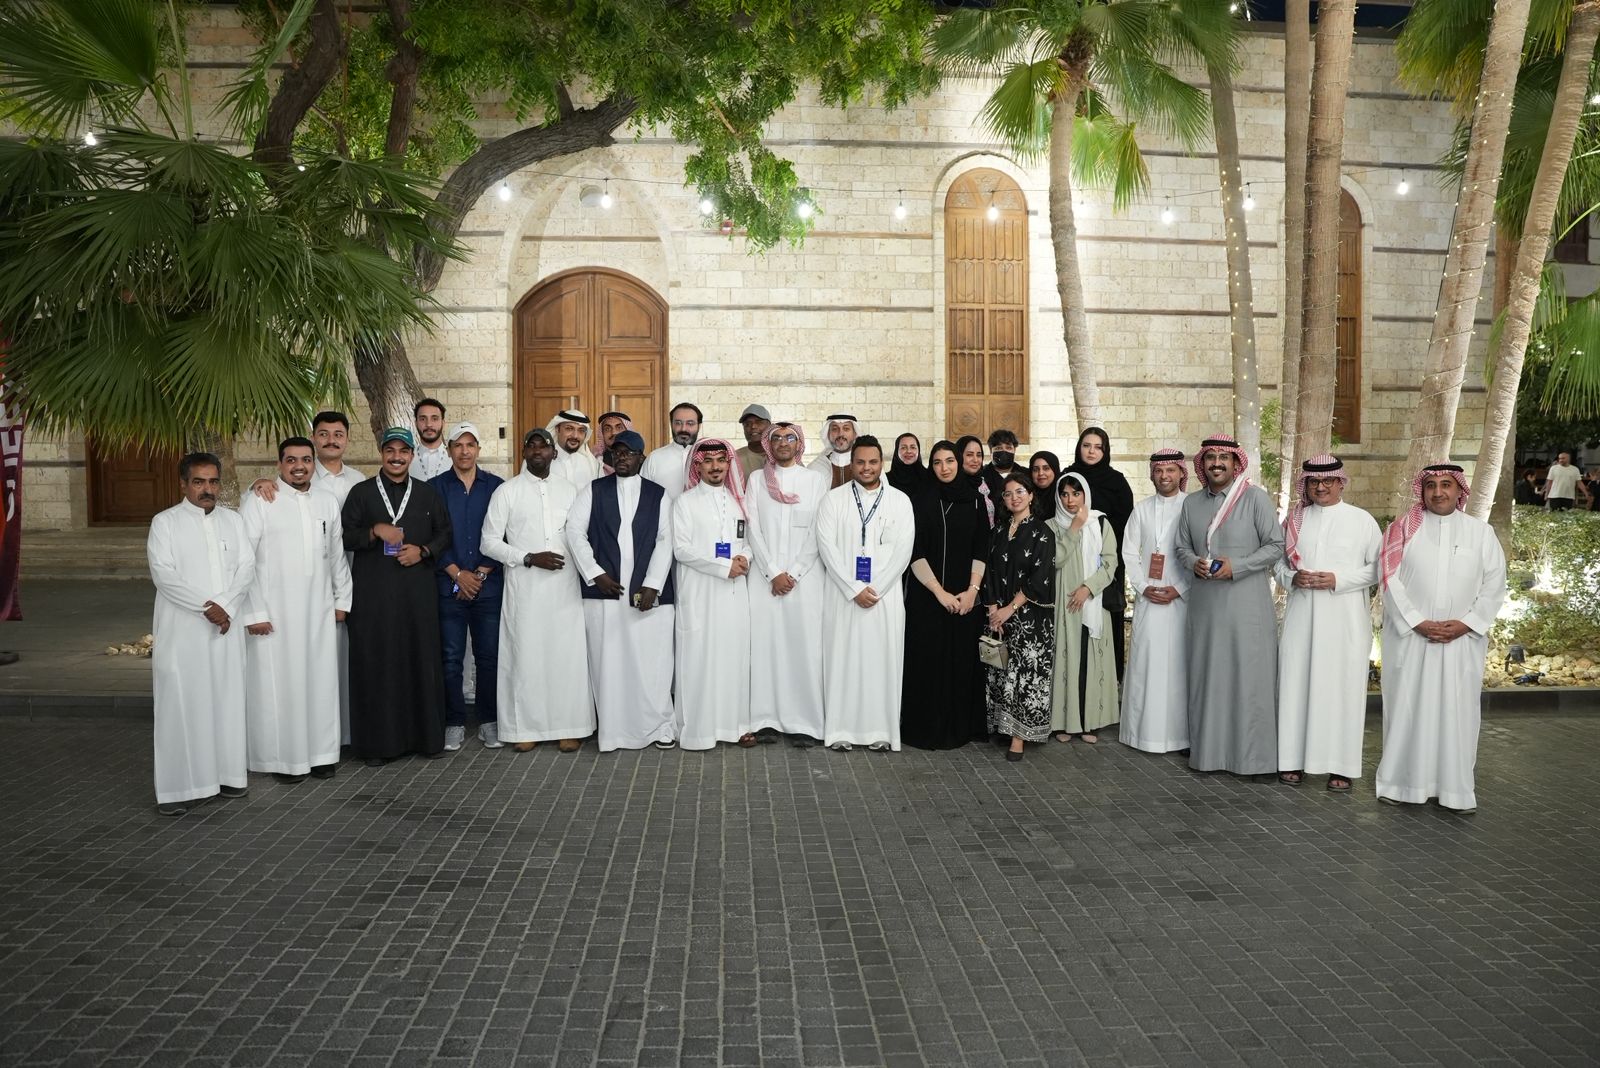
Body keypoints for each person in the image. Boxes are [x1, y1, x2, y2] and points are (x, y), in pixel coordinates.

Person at [1375, 464, 1507, 813]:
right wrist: (1417, 621)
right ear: (1422, 491)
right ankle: (1400, 784)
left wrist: (1467, 624)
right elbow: (1389, 580)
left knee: (1457, 713)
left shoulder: (1481, 533)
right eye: (1431, 485)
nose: (1438, 492)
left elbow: (1495, 584)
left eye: (1446, 485)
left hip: (1461, 642)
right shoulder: (1402, 531)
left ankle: (1455, 791)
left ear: (1459, 490)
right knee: (1407, 709)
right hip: (1411, 641)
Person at [147, 452, 256, 815]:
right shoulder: (165, 523)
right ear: (183, 484)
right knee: (182, 705)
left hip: (225, 628)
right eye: (198, 482)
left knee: (226, 700)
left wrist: (225, 605)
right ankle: (179, 789)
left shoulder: (233, 521)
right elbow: (164, 575)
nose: (207, 489)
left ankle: (226, 777)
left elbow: (246, 568)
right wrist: (207, 607)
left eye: (212, 482)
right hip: (183, 631)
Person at [240, 438, 352, 784]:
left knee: (320, 683)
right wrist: (254, 611)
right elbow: (244, 560)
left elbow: (336, 554)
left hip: (318, 610)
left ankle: (321, 755)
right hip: (275, 613)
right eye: (291, 460)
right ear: (279, 464)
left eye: (305, 459)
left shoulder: (326, 500)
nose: (299, 466)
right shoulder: (260, 500)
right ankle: (284, 759)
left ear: (313, 463)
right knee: (280, 687)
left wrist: (341, 600)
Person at [1174, 435, 1284, 778]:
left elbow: (1275, 546)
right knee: (1209, 679)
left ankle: (1254, 761)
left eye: (1224, 457)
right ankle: (1209, 756)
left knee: (1249, 680)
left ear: (1236, 463)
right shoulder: (1191, 504)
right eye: (1211, 457)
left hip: (1247, 607)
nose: (1217, 463)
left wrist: (1238, 566)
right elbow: (1181, 548)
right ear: (1202, 464)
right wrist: (1193, 562)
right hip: (1205, 608)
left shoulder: (1255, 499)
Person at [341, 427, 452, 765]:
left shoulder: (427, 493)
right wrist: (374, 530)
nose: (396, 457)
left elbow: (444, 533)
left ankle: (425, 740)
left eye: (403, 451)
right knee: (378, 665)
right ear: (381, 453)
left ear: (412, 455)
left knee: (420, 661)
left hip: (417, 595)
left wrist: (424, 551)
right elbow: (344, 536)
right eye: (390, 451)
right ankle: (378, 746)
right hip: (373, 598)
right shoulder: (361, 493)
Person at [565, 430, 678, 750]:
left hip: (648, 594)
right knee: (608, 662)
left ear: (642, 457)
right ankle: (613, 731)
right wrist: (594, 573)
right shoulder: (594, 490)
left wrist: (653, 584)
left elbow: (666, 540)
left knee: (653, 662)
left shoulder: (658, 494)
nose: (622, 457)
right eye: (617, 452)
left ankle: (659, 727)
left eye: (629, 453)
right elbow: (574, 531)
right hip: (605, 593)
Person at [1274, 455, 1381, 792]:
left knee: (1342, 690)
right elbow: (1277, 564)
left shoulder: (1362, 521)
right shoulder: (1295, 521)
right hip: (1301, 618)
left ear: (1340, 483)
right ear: (1306, 484)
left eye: (1327, 481)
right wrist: (1292, 578)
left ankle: (1341, 766)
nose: (1320, 487)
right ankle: (1291, 760)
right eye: (1314, 482)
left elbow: (1378, 568)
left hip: (1345, 620)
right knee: (1296, 685)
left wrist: (1338, 579)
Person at [481, 428, 591, 753]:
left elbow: (582, 535)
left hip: (564, 588)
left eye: (544, 446)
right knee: (525, 656)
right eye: (532, 446)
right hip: (525, 588)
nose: (538, 450)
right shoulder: (507, 492)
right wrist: (527, 557)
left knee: (565, 657)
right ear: (524, 452)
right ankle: (524, 729)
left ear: (554, 453)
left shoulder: (570, 491)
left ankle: (569, 728)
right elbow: (488, 542)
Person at [815, 436, 915, 751]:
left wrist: (877, 589)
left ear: (881, 463)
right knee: (842, 660)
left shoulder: (900, 500)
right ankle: (840, 731)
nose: (867, 468)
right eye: (860, 462)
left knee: (881, 662)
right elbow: (827, 548)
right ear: (852, 463)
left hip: (884, 598)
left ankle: (881, 732)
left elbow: (904, 550)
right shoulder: (833, 500)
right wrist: (853, 588)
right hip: (843, 596)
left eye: (873, 462)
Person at [901, 440, 989, 750]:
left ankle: (960, 728)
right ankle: (927, 729)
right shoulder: (920, 499)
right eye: (937, 462)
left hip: (965, 598)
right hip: (928, 597)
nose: (944, 468)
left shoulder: (976, 501)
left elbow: (981, 547)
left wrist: (972, 592)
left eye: (949, 460)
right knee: (928, 662)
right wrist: (939, 593)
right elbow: (915, 550)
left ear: (958, 462)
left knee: (960, 662)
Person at [747, 422, 830, 747]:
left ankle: (804, 722)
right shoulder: (756, 480)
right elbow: (752, 528)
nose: (783, 443)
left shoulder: (815, 480)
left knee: (803, 648)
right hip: (764, 580)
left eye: (790, 438)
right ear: (769, 445)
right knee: (764, 648)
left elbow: (818, 531)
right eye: (777, 438)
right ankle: (764, 719)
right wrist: (773, 572)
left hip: (804, 580)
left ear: (799, 444)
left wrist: (793, 573)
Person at [672, 439, 757, 750]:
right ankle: (700, 729)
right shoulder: (685, 503)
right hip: (700, 593)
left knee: (734, 658)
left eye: (721, 460)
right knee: (701, 659)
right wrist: (724, 566)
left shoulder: (738, 501)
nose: (715, 466)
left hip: (734, 595)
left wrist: (744, 557)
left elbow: (749, 541)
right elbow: (681, 549)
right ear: (698, 466)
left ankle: (737, 726)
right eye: (708, 461)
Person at [430, 422, 504, 752]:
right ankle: (454, 722)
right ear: (449, 451)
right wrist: (457, 574)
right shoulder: (434, 488)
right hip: (449, 587)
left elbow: (506, 533)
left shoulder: (497, 487)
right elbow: (429, 535)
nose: (464, 451)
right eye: (458, 445)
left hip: (488, 588)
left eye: (470, 444)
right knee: (450, 659)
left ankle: (489, 721)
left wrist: (479, 575)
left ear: (478, 449)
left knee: (489, 658)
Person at [1119, 449, 1191, 755]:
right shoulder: (1142, 509)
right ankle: (1143, 734)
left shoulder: (1191, 506)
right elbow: (1129, 553)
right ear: (1152, 475)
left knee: (1179, 665)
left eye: (1170, 470)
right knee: (1146, 663)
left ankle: (1180, 736)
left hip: (1182, 599)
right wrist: (1143, 587)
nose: (1164, 476)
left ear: (1181, 473)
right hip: (1149, 597)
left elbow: (1202, 551)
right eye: (1159, 471)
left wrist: (1180, 588)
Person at [982, 473, 1055, 761]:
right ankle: (1002, 726)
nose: (1014, 497)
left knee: (1024, 676)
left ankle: (1019, 738)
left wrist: (1008, 609)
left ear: (1031, 495)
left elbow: (1040, 578)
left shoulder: (1042, 532)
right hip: (998, 615)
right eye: (1008, 493)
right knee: (1000, 671)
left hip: (1030, 616)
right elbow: (988, 570)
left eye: (1020, 491)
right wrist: (992, 610)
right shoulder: (998, 531)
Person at [1050, 472, 1119, 744]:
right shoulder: (1051, 526)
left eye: (1076, 494)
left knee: (1089, 660)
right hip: (1063, 606)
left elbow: (1111, 563)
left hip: (1093, 603)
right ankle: (1065, 722)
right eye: (1065, 494)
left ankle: (1090, 722)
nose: (1070, 500)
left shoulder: (1100, 523)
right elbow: (1054, 560)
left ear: (1085, 495)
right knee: (1067, 660)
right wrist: (1074, 528)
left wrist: (1088, 588)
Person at [1066, 427, 1134, 682]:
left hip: (1105, 562)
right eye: (1086, 446)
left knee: (1105, 620)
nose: (1091, 451)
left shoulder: (1116, 482)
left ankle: (1106, 682)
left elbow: (1125, 524)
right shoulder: (1068, 477)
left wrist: (1096, 534)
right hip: (1071, 559)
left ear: (1105, 451)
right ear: (1079, 448)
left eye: (1098, 447)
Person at [640, 402, 702, 500]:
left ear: (699, 426)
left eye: (690, 424)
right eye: (678, 423)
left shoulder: (708, 458)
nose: (683, 429)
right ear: (671, 424)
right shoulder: (654, 458)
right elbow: (643, 495)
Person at [547, 409, 602, 489]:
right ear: (557, 429)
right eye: (569, 428)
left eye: (581, 430)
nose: (575, 436)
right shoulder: (542, 460)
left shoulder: (593, 465)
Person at [809, 413, 861, 490]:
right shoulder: (815, 468)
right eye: (835, 429)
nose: (840, 434)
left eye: (846, 429)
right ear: (828, 434)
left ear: (855, 434)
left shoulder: (865, 465)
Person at [955, 435, 996, 527]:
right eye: (969, 455)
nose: (975, 460)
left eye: (979, 455)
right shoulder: (953, 485)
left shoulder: (985, 482)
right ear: (958, 456)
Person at [409, 398, 451, 481]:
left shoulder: (454, 459)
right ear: (416, 423)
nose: (428, 424)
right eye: (423, 419)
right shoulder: (406, 459)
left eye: (434, 419)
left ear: (443, 423)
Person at [886, 432, 934, 504]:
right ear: (896, 451)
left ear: (918, 450)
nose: (908, 451)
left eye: (913, 447)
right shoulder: (886, 480)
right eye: (903, 447)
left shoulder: (929, 477)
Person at [979, 429, 1021, 501]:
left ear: (1014, 450)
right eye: (998, 448)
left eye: (1008, 448)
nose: (1004, 451)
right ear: (991, 451)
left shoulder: (1026, 474)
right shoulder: (981, 476)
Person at [735, 404, 772, 479]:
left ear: (770, 426)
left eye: (759, 422)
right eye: (747, 424)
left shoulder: (782, 455)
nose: (753, 426)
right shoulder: (734, 459)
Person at [1029, 451, 1061, 521]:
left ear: (1055, 470)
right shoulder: (1025, 496)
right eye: (1035, 470)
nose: (1040, 473)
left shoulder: (1063, 495)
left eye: (1046, 468)